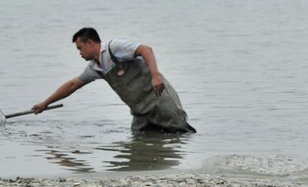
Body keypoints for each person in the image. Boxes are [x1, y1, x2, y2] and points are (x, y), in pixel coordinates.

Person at [32, 28, 195, 133]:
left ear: (89, 43)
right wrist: (45, 104)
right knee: (141, 139)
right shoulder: (95, 68)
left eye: (80, 48)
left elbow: (146, 49)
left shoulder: (113, 48)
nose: (79, 53)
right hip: (140, 110)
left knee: (181, 133)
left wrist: (155, 76)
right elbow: (73, 85)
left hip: (159, 98)